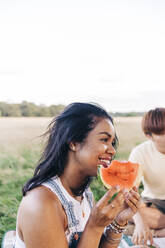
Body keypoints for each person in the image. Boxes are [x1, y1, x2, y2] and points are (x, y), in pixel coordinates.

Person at [14, 102, 140, 248]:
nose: (112, 150)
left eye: (113, 142)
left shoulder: (85, 193)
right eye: (104, 140)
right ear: (74, 142)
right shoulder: (41, 203)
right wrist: (94, 226)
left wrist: (118, 221)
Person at [129, 107, 165, 246]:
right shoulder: (140, 153)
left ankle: (156, 232)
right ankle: (153, 228)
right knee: (123, 210)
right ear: (149, 136)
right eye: (163, 132)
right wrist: (139, 223)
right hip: (152, 203)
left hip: (157, 216)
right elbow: (130, 194)